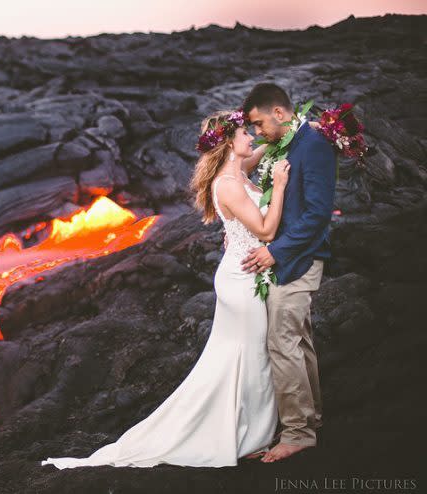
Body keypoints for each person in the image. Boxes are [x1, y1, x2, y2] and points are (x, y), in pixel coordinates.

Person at [41, 108, 291, 469]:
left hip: (245, 272)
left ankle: (245, 428)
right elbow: (266, 231)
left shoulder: (239, 170)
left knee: (240, 358)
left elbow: (266, 147)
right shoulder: (229, 184)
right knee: (252, 356)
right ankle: (246, 434)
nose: (250, 136)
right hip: (242, 279)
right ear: (228, 143)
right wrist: (279, 186)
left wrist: (296, 129)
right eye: (243, 133)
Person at [240, 83, 335, 463]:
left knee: (281, 343)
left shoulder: (312, 144)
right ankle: (312, 418)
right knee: (299, 341)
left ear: (279, 113)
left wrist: (273, 251)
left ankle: (298, 432)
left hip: (297, 260)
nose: (258, 133)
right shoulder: (288, 143)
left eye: (260, 124)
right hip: (289, 258)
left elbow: (317, 214)